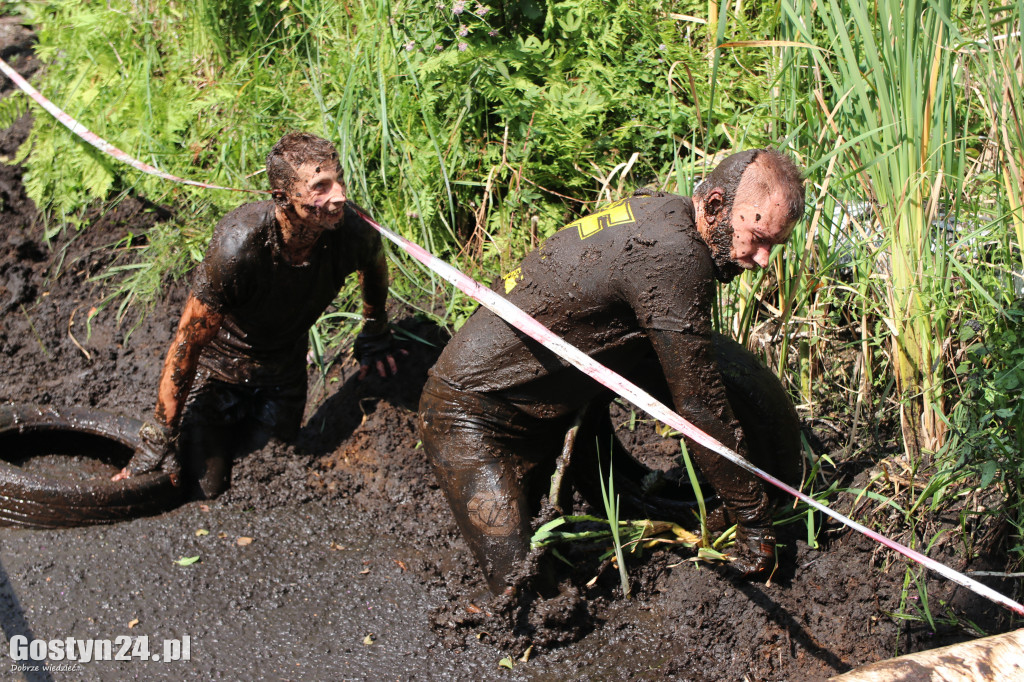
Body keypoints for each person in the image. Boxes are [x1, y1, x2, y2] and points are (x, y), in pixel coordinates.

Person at [418, 148, 806, 593]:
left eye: (774, 245)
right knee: (529, 596)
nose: (762, 259)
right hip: (470, 419)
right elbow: (700, 409)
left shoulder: (660, 209)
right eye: (757, 237)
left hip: (548, 406)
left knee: (561, 558)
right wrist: (755, 520)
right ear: (715, 206)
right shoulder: (675, 257)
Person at [113, 132, 402, 497]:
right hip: (217, 376)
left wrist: (375, 331)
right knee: (205, 490)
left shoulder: (353, 231)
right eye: (321, 186)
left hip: (283, 376)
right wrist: (159, 434)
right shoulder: (238, 245)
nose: (340, 194)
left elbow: (375, 269)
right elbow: (188, 343)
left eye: (339, 179)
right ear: (282, 197)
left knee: (274, 476)